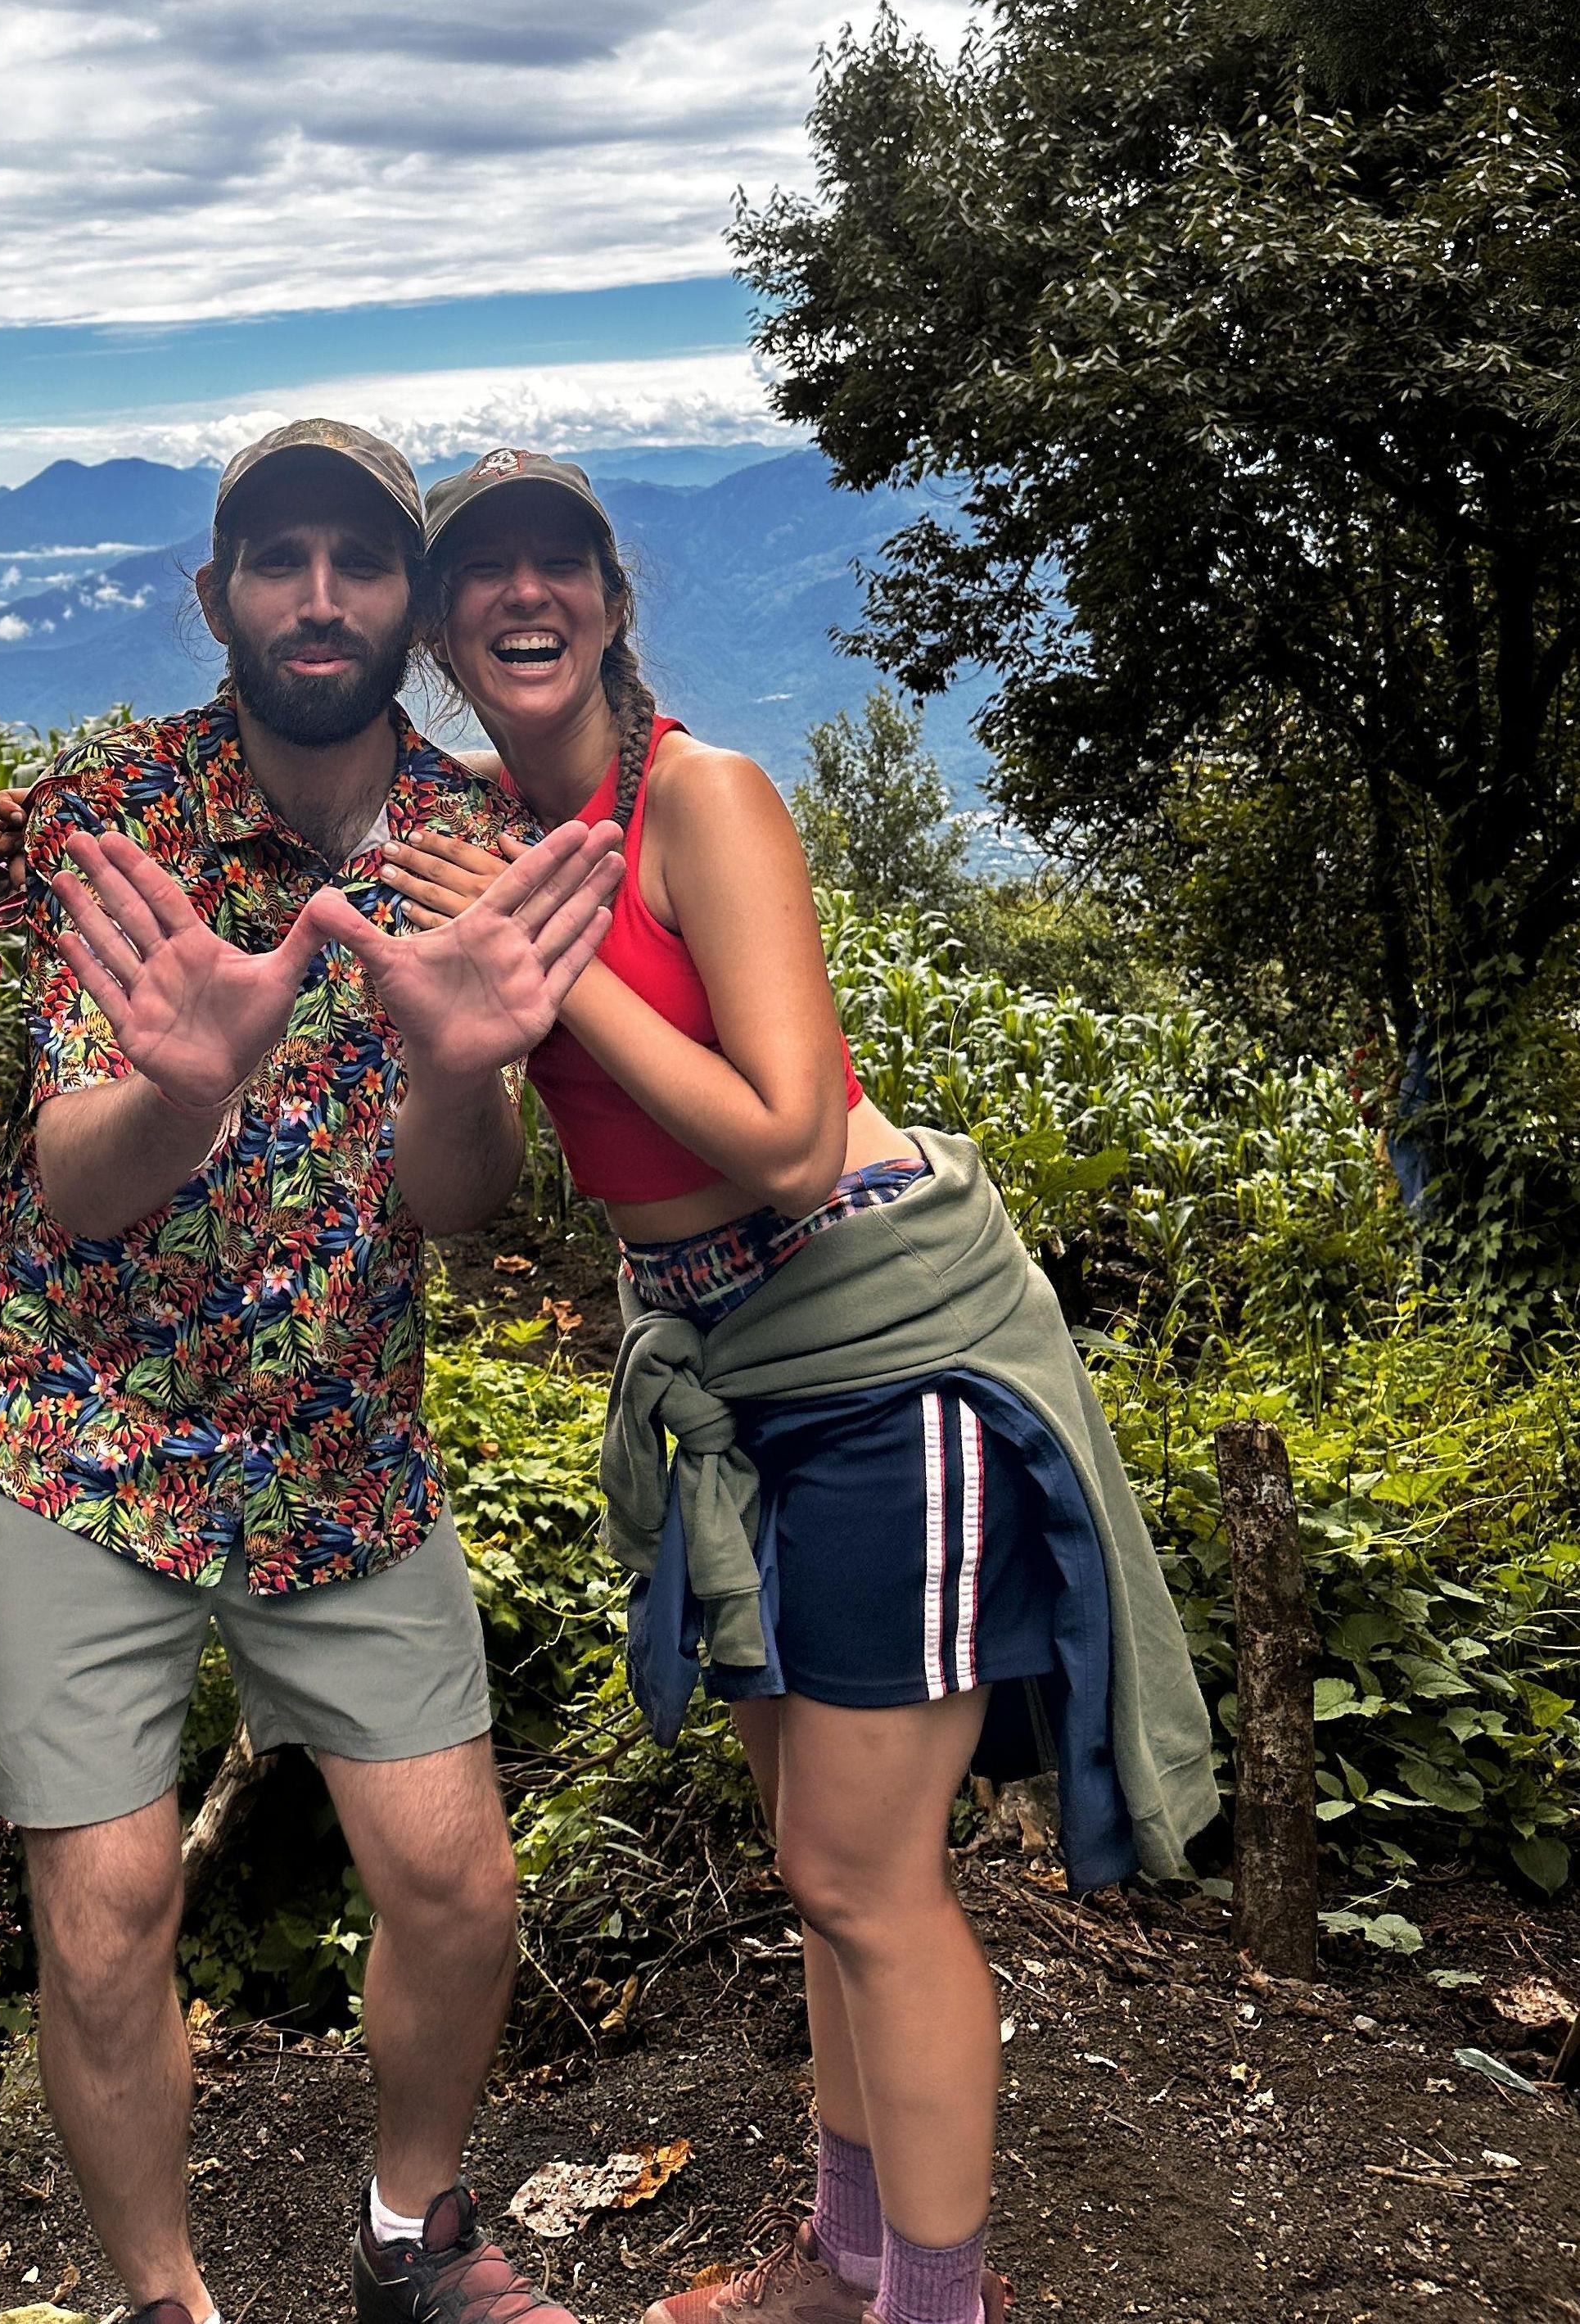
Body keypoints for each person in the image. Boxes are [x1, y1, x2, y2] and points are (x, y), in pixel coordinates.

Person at [368, 449, 1218, 2324]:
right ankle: (845, 2269)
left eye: (558, 563)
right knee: (820, 1864)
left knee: (863, 1874)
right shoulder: (475, 842)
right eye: (481, 572)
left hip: (881, 1346)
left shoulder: (704, 800)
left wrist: (547, 956)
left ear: (608, 599)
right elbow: (456, 1190)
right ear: (439, 629)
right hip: (728, 1373)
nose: (523, 594)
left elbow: (781, 1134)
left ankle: (933, 2303)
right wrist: (457, 1017)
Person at [0, 420, 623, 2324]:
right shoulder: (106, 820)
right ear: (215, 590)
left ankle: (413, 2237)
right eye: (279, 559)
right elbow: (70, 1188)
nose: (321, 599)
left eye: (361, 564)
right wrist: (187, 1080)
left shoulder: (473, 844)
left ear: (411, 605)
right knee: (111, 1910)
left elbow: (461, 1210)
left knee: (460, 1887)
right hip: (74, 1424)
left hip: (332, 1432)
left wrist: (463, 1064)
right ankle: (167, 2299)